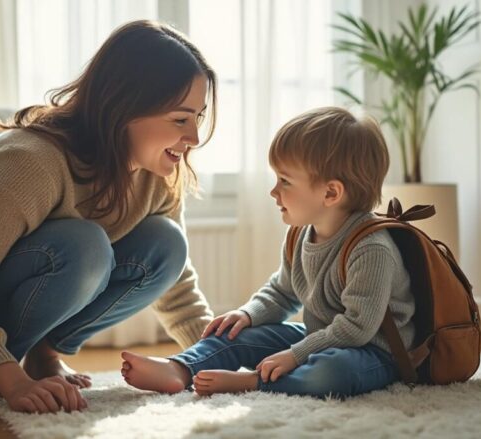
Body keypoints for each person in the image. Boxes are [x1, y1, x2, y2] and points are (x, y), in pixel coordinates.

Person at [0, 20, 218, 413]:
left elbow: (177, 284)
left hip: (6, 311)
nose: (194, 138)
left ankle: (44, 355)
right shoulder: (29, 162)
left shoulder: (157, 174)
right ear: (125, 108)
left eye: (198, 118)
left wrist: (215, 356)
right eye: (180, 119)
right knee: (84, 246)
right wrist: (10, 379)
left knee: (167, 242)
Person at [121, 106, 415, 399]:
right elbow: (282, 293)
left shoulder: (371, 249)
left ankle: (255, 382)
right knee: (236, 333)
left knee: (334, 372)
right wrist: (247, 314)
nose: (274, 192)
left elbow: (356, 329)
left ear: (330, 193)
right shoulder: (300, 233)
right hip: (319, 338)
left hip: (373, 353)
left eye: (285, 181)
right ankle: (182, 367)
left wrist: (295, 355)